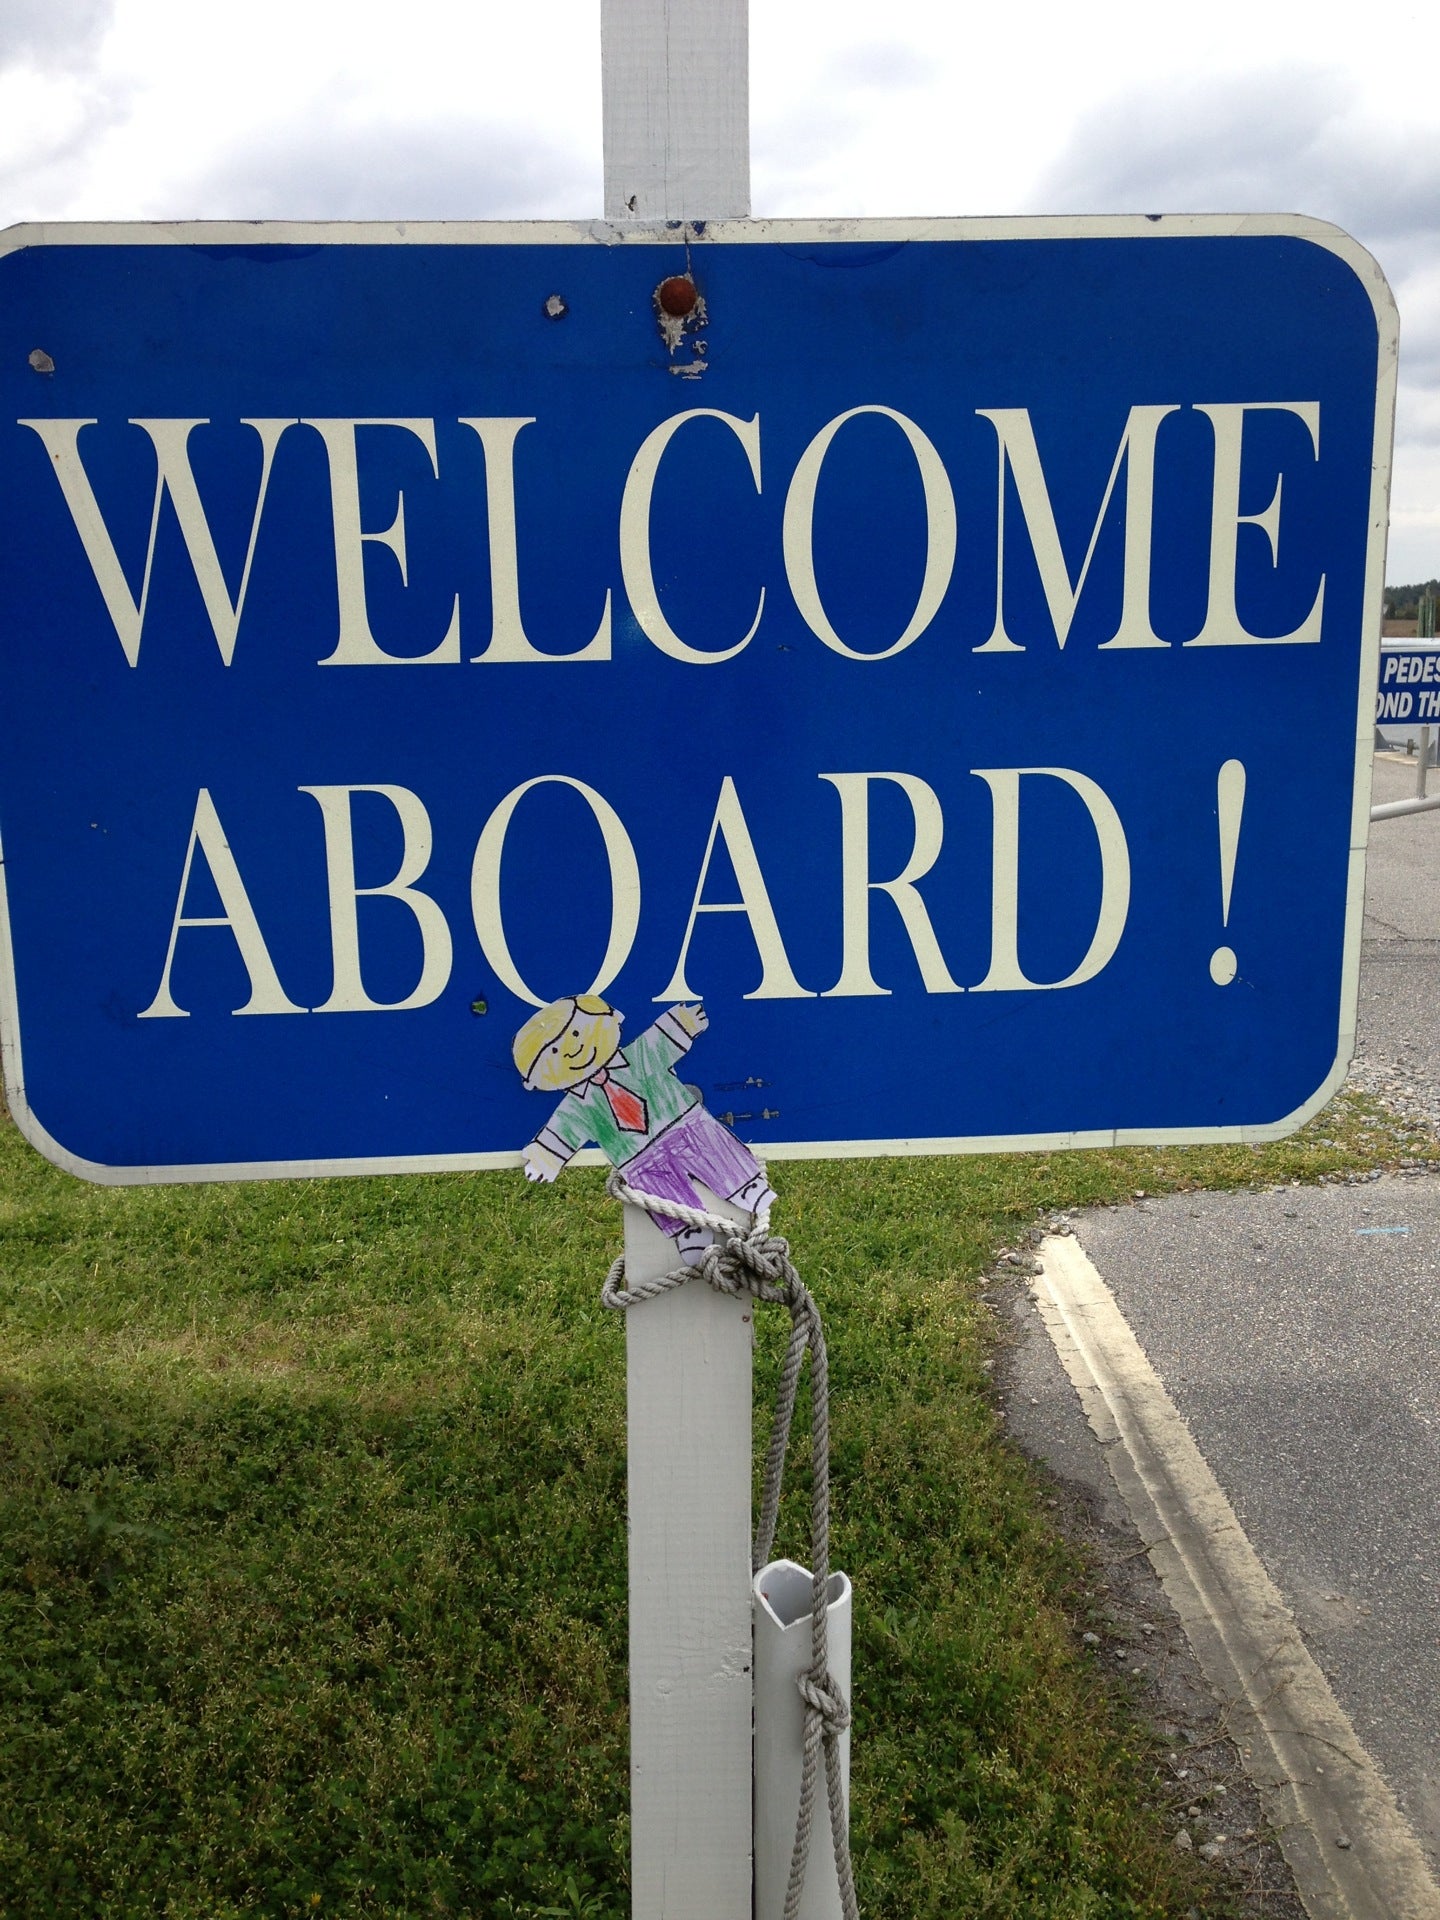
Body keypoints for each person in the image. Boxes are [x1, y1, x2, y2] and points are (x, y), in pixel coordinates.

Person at [514, 993, 775, 1263]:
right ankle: (686, 1231)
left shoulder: (640, 1055)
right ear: (535, 1079)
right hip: (637, 1158)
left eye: (578, 1032)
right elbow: (561, 1132)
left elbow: (660, 1040)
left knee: (713, 1149)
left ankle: (745, 1185)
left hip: (685, 1124)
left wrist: (682, 1023)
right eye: (554, 1052)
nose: (571, 1050)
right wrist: (545, 1156)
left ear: (611, 1019)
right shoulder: (575, 1108)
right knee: (660, 1191)